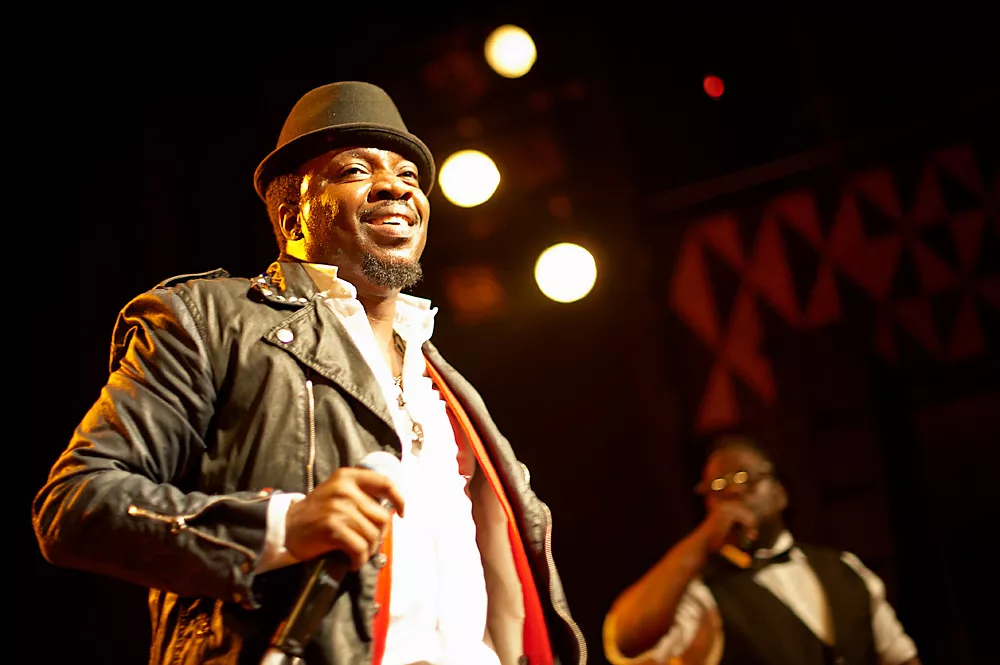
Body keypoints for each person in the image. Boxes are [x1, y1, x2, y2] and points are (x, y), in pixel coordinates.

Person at [32, 80, 585, 665]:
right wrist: (285, 526)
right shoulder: (209, 321)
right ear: (292, 215)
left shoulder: (447, 389)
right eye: (356, 170)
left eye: (409, 175)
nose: (397, 186)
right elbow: (76, 503)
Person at [603, 435, 920, 665]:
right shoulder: (704, 594)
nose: (733, 490)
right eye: (717, 486)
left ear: (780, 493)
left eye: (744, 477)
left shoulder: (844, 568)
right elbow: (627, 637)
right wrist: (703, 538)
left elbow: (901, 658)